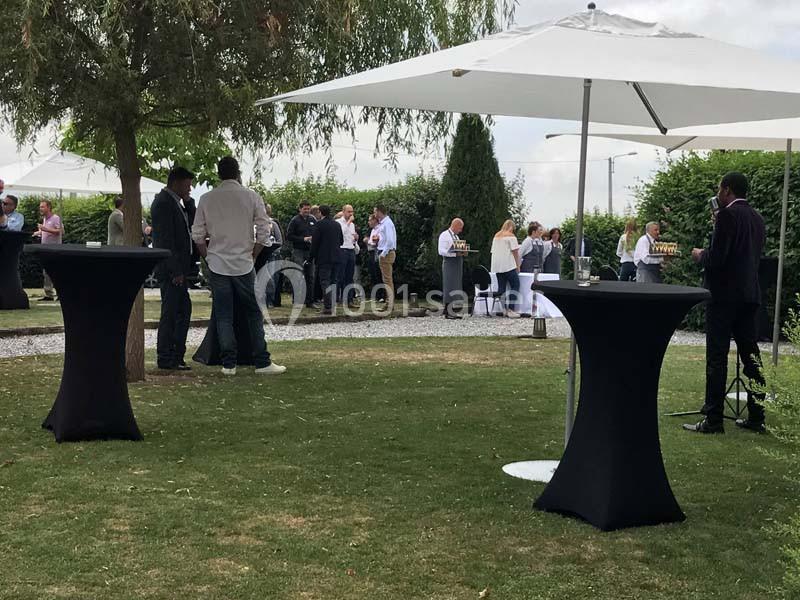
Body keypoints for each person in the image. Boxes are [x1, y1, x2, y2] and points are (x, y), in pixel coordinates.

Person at [684, 172, 767, 434]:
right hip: (749, 294)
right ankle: (757, 415)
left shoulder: (726, 216)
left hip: (723, 296)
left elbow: (718, 257)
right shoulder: (757, 218)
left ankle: (713, 418)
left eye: (720, 188)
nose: (718, 192)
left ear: (727, 190)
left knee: (717, 356)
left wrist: (700, 255)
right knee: (751, 356)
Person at [192, 156, 285, 376]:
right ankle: (262, 361)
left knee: (223, 314)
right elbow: (264, 231)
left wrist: (208, 257)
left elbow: (197, 235)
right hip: (244, 262)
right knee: (253, 312)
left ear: (218, 173)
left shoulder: (207, 198)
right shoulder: (251, 196)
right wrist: (253, 255)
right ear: (238, 172)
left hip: (217, 262)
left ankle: (228, 364)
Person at [151, 167, 195, 370]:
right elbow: (165, 239)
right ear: (176, 183)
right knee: (172, 312)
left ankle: (175, 355)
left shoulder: (177, 203)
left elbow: (190, 227)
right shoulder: (163, 203)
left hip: (179, 268)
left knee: (182, 310)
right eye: (187, 185)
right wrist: (175, 270)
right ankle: (167, 356)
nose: (190, 188)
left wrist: (190, 203)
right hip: (171, 270)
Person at [310, 204, 344, 315]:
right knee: (334, 281)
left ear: (320, 212)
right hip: (337, 257)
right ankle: (333, 304)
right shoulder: (337, 225)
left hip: (324, 258)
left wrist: (311, 257)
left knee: (325, 282)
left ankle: (328, 306)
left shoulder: (319, 225)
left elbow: (315, 243)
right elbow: (341, 241)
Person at [286, 201, 316, 307]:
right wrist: (303, 239)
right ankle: (297, 300)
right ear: (300, 209)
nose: (307, 211)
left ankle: (310, 301)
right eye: (305, 209)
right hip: (298, 250)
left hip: (310, 251)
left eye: (308, 209)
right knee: (298, 275)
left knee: (310, 276)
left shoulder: (312, 219)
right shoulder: (295, 221)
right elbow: (289, 236)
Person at [32, 200, 62, 301]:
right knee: (46, 272)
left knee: (56, 272)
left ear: (49, 207)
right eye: (40, 207)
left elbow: (60, 231)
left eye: (42, 207)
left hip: (54, 250)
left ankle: (60, 293)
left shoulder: (56, 218)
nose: (40, 209)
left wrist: (45, 229)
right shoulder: (45, 219)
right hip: (46, 250)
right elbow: (46, 231)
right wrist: (38, 232)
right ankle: (49, 294)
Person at [490, 219, 521, 318]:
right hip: (508, 265)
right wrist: (518, 265)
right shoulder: (511, 236)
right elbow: (515, 252)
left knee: (501, 288)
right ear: (511, 227)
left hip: (497, 266)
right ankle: (511, 309)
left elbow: (492, 252)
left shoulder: (496, 236)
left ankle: (503, 309)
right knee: (515, 285)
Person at [438, 218, 466, 319]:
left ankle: (452, 309)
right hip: (449, 263)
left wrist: (462, 252)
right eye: (460, 228)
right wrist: (453, 254)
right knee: (449, 285)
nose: (461, 230)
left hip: (457, 264)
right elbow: (441, 251)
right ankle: (448, 310)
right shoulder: (444, 235)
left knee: (455, 286)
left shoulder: (456, 237)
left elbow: (459, 248)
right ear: (455, 225)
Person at [374, 204, 397, 309]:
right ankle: (389, 302)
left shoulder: (387, 223)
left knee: (387, 279)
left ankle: (390, 303)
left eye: (375, 212)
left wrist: (383, 253)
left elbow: (390, 240)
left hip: (386, 253)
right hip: (386, 252)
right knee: (386, 279)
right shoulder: (385, 223)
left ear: (379, 212)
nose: (374, 214)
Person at [336, 204, 359, 306]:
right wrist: (349, 222)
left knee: (350, 277)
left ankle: (349, 299)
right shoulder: (338, 222)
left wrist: (355, 238)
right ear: (343, 212)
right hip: (342, 250)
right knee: (340, 276)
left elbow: (350, 237)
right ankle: (338, 298)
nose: (351, 214)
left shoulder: (352, 225)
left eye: (352, 212)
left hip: (351, 249)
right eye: (349, 212)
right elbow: (341, 233)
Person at [264, 203, 284, 308]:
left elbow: (279, 240)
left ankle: (270, 300)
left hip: (272, 254)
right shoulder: (254, 223)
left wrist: (276, 251)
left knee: (271, 278)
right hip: (260, 254)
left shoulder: (273, 224)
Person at [364, 214, 383, 301]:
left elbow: (375, 241)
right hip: (371, 252)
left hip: (377, 252)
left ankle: (382, 295)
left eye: (370, 220)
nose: (369, 222)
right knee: (373, 274)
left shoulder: (379, 229)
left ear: (375, 220)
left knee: (378, 274)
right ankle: (376, 295)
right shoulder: (372, 230)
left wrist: (369, 241)